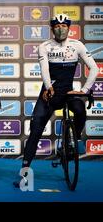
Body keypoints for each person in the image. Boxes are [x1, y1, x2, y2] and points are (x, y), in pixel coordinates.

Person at [16, 13, 98, 186]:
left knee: (81, 111)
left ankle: (71, 141)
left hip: (68, 92)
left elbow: (94, 68)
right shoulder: (44, 46)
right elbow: (44, 68)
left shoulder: (77, 45)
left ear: (69, 28)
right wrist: (48, 86)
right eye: (57, 26)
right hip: (50, 92)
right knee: (36, 129)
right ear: (52, 28)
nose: (61, 29)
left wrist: (84, 90)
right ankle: (24, 173)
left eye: (64, 26)